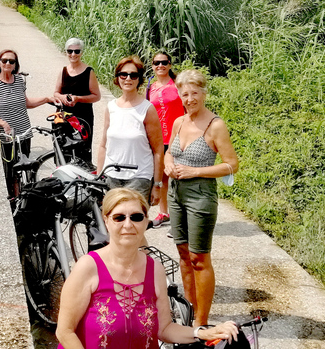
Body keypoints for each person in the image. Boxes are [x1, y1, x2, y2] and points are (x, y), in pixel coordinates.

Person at [56, 188, 239, 348]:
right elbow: (65, 331)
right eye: (119, 217)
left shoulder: (155, 270)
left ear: (145, 222)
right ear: (107, 221)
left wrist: (201, 333)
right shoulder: (88, 267)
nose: (128, 225)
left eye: (136, 217)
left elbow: (164, 328)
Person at [165, 69, 239, 327]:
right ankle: (189, 313)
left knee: (199, 257)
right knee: (183, 254)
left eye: (194, 93)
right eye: (184, 94)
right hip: (175, 193)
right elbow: (169, 153)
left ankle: (201, 322)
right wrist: (167, 165)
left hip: (201, 196)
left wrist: (196, 171)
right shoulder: (178, 122)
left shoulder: (215, 125)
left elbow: (231, 165)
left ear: (203, 93)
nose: (189, 98)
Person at [0, 49, 52, 198]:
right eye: (4, 60)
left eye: (11, 61)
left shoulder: (19, 80)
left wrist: (46, 99)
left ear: (15, 65)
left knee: (24, 167)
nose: (7, 63)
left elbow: (26, 103)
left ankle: (23, 198)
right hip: (7, 136)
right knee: (11, 171)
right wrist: (2, 123)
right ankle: (13, 200)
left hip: (24, 132)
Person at [96, 56, 164, 204]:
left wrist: (157, 185)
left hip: (139, 179)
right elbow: (103, 145)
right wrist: (99, 176)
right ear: (117, 77)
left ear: (139, 79)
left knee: (134, 224)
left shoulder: (147, 109)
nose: (128, 79)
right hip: (111, 177)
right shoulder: (111, 107)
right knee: (113, 223)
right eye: (123, 74)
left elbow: (158, 150)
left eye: (133, 75)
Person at [145, 51, 185, 228]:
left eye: (163, 62)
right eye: (156, 63)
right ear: (152, 66)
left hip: (177, 137)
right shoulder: (150, 87)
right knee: (160, 177)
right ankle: (164, 213)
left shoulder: (178, 85)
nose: (160, 66)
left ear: (170, 64)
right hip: (157, 138)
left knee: (179, 177)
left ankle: (182, 215)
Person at [53, 38, 101, 163]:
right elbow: (56, 93)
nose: (73, 54)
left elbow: (96, 96)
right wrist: (62, 97)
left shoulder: (89, 72)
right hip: (64, 117)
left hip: (83, 117)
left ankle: (83, 179)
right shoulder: (63, 71)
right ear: (66, 52)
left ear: (81, 52)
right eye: (70, 51)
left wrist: (78, 98)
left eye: (76, 51)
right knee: (64, 150)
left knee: (82, 150)